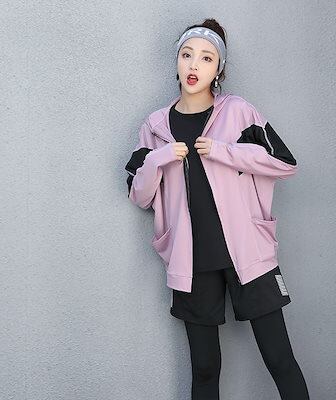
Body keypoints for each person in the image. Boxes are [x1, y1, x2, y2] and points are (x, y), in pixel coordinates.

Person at [125, 18, 310, 400]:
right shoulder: (155, 126)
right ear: (177, 60)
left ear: (218, 69)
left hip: (249, 254)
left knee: (280, 359)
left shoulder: (238, 112)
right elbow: (139, 196)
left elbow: (285, 163)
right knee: (205, 369)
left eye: (207, 58)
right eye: (187, 55)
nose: (194, 65)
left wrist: (226, 151)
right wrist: (158, 159)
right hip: (191, 262)